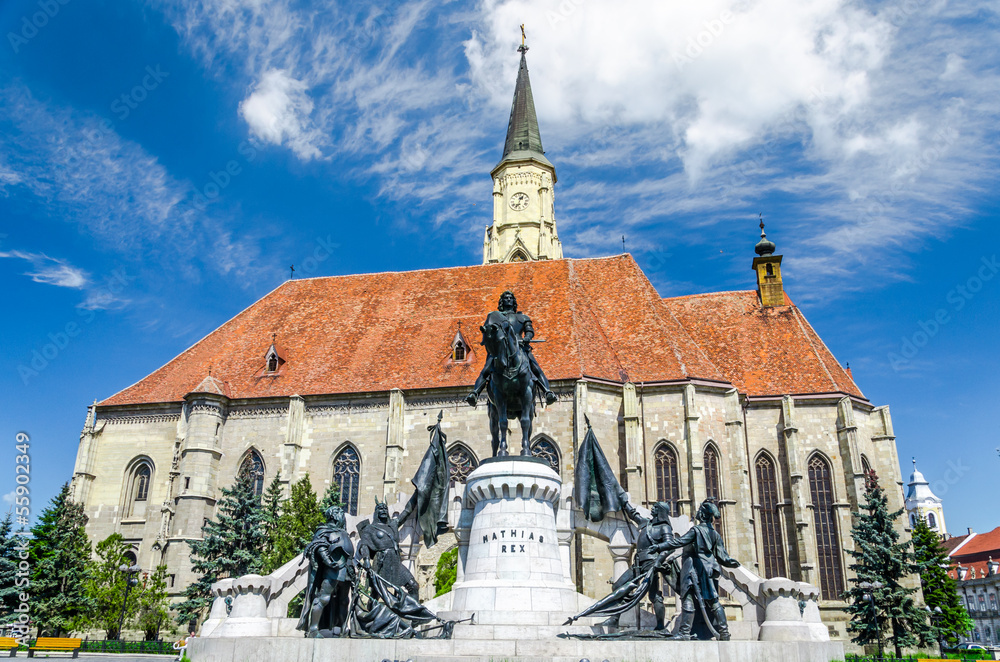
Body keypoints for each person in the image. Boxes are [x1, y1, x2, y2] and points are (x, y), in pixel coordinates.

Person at [652, 500, 740, 640]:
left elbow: (678, 542)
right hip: (708, 569)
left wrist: (659, 547)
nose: (697, 512)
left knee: (687, 598)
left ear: (703, 515)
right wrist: (732, 563)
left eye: (699, 511)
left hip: (693, 567)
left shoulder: (696, 530)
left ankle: (684, 633)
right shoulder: (715, 534)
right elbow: (722, 556)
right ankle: (724, 633)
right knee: (713, 601)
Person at [466, 291, 557, 406]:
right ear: (501, 301)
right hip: (500, 349)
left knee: (535, 367)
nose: (508, 300)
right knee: (486, 369)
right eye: (505, 298)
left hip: (520, 347)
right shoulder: (494, 316)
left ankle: (547, 392)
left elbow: (529, 331)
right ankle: (475, 393)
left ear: (514, 301)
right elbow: (487, 330)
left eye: (510, 298)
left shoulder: (522, 317)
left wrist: (527, 338)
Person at [296, 505, 356, 637]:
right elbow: (319, 546)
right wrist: (328, 561)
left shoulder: (343, 532)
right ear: (334, 515)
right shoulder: (324, 531)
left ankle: (341, 628)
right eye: (340, 513)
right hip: (333, 569)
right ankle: (313, 629)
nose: (343, 516)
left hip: (346, 569)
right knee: (323, 598)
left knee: (344, 600)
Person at [356, 496, 419, 599]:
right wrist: (366, 559)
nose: (384, 510)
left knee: (413, 586)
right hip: (381, 561)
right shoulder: (370, 528)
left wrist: (417, 493)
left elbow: (407, 511)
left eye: (385, 508)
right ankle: (371, 612)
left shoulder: (393, 524)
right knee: (377, 593)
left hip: (396, 562)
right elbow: (364, 545)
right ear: (376, 512)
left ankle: (414, 613)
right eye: (381, 508)